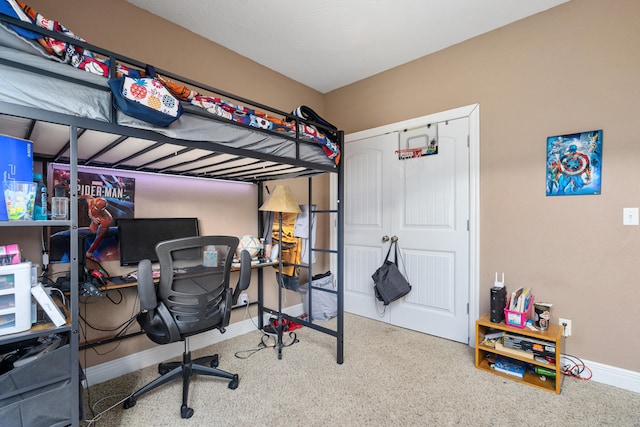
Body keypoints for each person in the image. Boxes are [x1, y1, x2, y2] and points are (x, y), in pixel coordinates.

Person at [80, 195, 113, 259]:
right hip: (92, 226)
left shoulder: (107, 219)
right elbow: (87, 196)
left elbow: (99, 237)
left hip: (100, 230)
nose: (95, 209)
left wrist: (90, 252)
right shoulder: (91, 202)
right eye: (94, 207)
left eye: (97, 209)